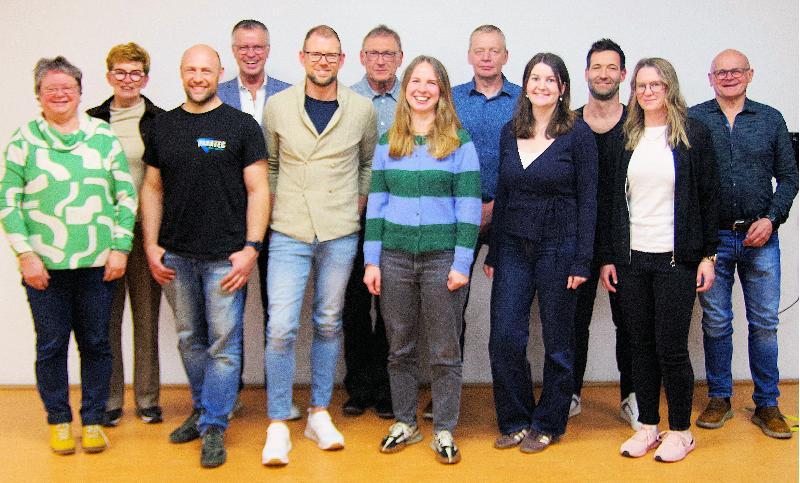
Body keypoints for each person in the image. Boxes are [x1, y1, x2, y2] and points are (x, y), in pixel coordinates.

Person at [140, 44, 269, 468]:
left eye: (206, 70)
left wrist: (251, 248)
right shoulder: (162, 126)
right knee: (189, 340)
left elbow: (258, 190)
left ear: (219, 74)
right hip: (176, 256)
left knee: (224, 346)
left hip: (224, 258)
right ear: (181, 73)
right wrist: (151, 244)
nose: (199, 77)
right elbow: (153, 188)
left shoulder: (241, 125)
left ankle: (214, 424)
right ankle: (201, 410)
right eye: (191, 70)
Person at [0, 56, 137, 454]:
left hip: (98, 265)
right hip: (44, 268)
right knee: (51, 345)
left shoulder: (102, 136)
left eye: (68, 88)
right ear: (39, 96)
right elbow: (8, 202)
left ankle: (93, 420)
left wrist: (119, 248)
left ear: (80, 93)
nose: (60, 95)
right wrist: (25, 255)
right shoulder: (24, 140)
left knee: (97, 343)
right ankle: (59, 420)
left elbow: (125, 197)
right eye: (51, 89)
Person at [260, 25, 376, 467]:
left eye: (331, 55)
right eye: (315, 54)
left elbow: (366, 163)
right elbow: (270, 164)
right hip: (288, 230)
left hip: (340, 231)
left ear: (342, 60)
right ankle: (276, 422)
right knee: (280, 327)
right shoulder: (278, 106)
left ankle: (319, 413)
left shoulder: (361, 109)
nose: (323, 62)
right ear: (303, 56)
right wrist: (274, 213)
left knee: (329, 322)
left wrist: (356, 205)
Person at [598, 58, 719, 463]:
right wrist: (611, 257)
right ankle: (648, 426)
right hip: (633, 261)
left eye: (656, 85)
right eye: (641, 85)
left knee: (671, 348)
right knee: (640, 346)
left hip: (676, 260)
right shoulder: (625, 138)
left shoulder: (693, 135)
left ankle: (681, 431)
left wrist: (707, 255)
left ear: (670, 87)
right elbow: (614, 202)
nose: (647, 92)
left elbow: (708, 198)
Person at [364, 55, 481, 465]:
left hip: (441, 259)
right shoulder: (387, 144)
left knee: (445, 350)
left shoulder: (459, 143)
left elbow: (469, 209)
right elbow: (376, 206)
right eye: (416, 80)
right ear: (406, 87)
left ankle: (444, 428)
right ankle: (405, 423)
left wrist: (461, 262)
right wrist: (371, 260)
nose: (423, 88)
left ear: (442, 91)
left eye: (432, 82)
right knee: (400, 347)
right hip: (393, 258)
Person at [484, 52, 597, 454]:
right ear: (526, 84)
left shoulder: (578, 135)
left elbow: (589, 201)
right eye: (536, 78)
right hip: (513, 246)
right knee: (505, 338)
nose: (542, 85)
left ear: (563, 88)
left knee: (558, 342)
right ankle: (515, 420)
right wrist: (494, 253)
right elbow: (504, 193)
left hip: (560, 249)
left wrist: (583, 260)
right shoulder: (509, 130)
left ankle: (549, 422)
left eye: (551, 79)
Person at [689, 49, 798, 439]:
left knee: (765, 323)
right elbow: (686, 180)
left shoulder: (770, 119)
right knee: (716, 322)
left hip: (760, 236)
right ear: (710, 77)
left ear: (750, 75)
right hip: (713, 238)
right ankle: (720, 397)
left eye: (736, 71)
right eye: (722, 72)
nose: (729, 77)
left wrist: (771, 219)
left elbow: (789, 177)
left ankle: (767, 403)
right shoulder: (694, 119)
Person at [217, 18, 299, 422]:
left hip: (281, 217)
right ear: (234, 50)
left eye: (259, 47)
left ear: (268, 49)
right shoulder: (215, 96)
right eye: (244, 47)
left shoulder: (290, 94)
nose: (252, 53)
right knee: (227, 313)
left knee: (276, 311)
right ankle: (226, 396)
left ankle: (277, 395)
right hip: (230, 218)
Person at [445, 23, 521, 422]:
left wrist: (497, 207)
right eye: (480, 50)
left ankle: (509, 399)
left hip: (511, 217)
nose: (487, 56)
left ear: (506, 56)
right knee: (451, 304)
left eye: (495, 50)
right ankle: (446, 395)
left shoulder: (525, 100)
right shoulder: (452, 100)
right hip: (460, 214)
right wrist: (472, 207)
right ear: (470, 55)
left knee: (508, 311)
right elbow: (443, 156)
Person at [87, 42, 165, 428]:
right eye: (120, 72)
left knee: (147, 317)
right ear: (108, 76)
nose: (128, 80)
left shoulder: (160, 121)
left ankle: (148, 399)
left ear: (146, 78)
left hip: (147, 229)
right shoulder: (91, 121)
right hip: (105, 232)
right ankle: (111, 398)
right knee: (106, 319)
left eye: (136, 73)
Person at [570, 38, 638, 429]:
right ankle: (571, 393)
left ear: (622, 75)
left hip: (627, 243)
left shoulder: (638, 124)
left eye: (611, 67)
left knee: (629, 324)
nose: (603, 74)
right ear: (586, 73)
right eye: (597, 67)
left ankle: (632, 395)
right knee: (572, 323)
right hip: (577, 241)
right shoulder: (570, 123)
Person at [342, 24, 404, 419]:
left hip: (396, 217)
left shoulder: (412, 102)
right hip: (353, 216)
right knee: (352, 305)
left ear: (399, 58)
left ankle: (385, 387)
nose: (380, 60)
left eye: (389, 54)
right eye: (373, 53)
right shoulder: (346, 101)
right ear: (362, 57)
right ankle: (358, 386)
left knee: (390, 307)